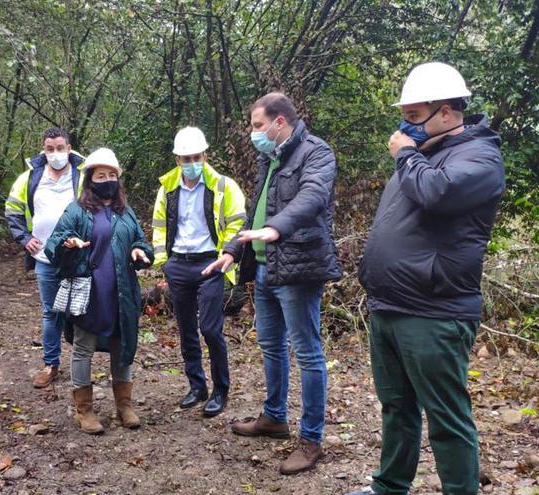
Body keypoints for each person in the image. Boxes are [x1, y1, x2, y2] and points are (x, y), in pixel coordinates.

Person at [347, 62, 505, 495]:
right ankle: (389, 486)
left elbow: (437, 193)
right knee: (397, 407)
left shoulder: (481, 157)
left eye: (415, 117)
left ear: (449, 112)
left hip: (434, 311)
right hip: (389, 306)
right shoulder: (424, 156)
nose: (404, 127)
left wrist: (405, 153)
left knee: (446, 416)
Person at [205, 92, 342, 474]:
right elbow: (256, 211)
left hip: (298, 268)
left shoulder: (317, 152)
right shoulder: (271, 157)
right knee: (272, 347)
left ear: (279, 122)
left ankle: (311, 440)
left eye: (257, 125)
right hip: (265, 269)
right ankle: (274, 418)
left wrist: (274, 229)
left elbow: (313, 197)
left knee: (308, 352)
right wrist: (234, 249)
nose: (254, 134)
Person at [45, 148, 153, 435]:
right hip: (89, 291)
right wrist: (68, 242)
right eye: (101, 175)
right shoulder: (77, 210)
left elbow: (141, 240)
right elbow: (54, 240)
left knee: (122, 345)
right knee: (83, 348)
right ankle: (85, 410)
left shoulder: (125, 211)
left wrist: (141, 250)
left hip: (122, 291)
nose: (107, 180)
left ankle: (124, 405)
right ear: (90, 179)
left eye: (112, 175)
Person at [151, 126, 246, 417]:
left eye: (197, 157)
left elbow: (237, 222)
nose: (192, 163)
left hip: (210, 263)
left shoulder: (223, 185)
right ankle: (196, 386)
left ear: (205, 155)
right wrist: (163, 262)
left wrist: (227, 255)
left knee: (210, 328)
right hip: (179, 263)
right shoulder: (167, 187)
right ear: (177, 159)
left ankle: (220, 390)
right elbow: (159, 226)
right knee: (187, 329)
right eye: (185, 158)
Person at [4, 128, 86, 388]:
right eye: (50, 149)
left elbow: (96, 210)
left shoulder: (82, 176)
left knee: (80, 311)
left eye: (60, 148)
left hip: (78, 256)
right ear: (43, 149)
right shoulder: (30, 178)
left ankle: (81, 364)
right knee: (51, 312)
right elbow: (12, 210)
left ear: (69, 148)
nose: (55, 154)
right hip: (44, 258)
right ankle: (51, 363)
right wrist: (24, 238)